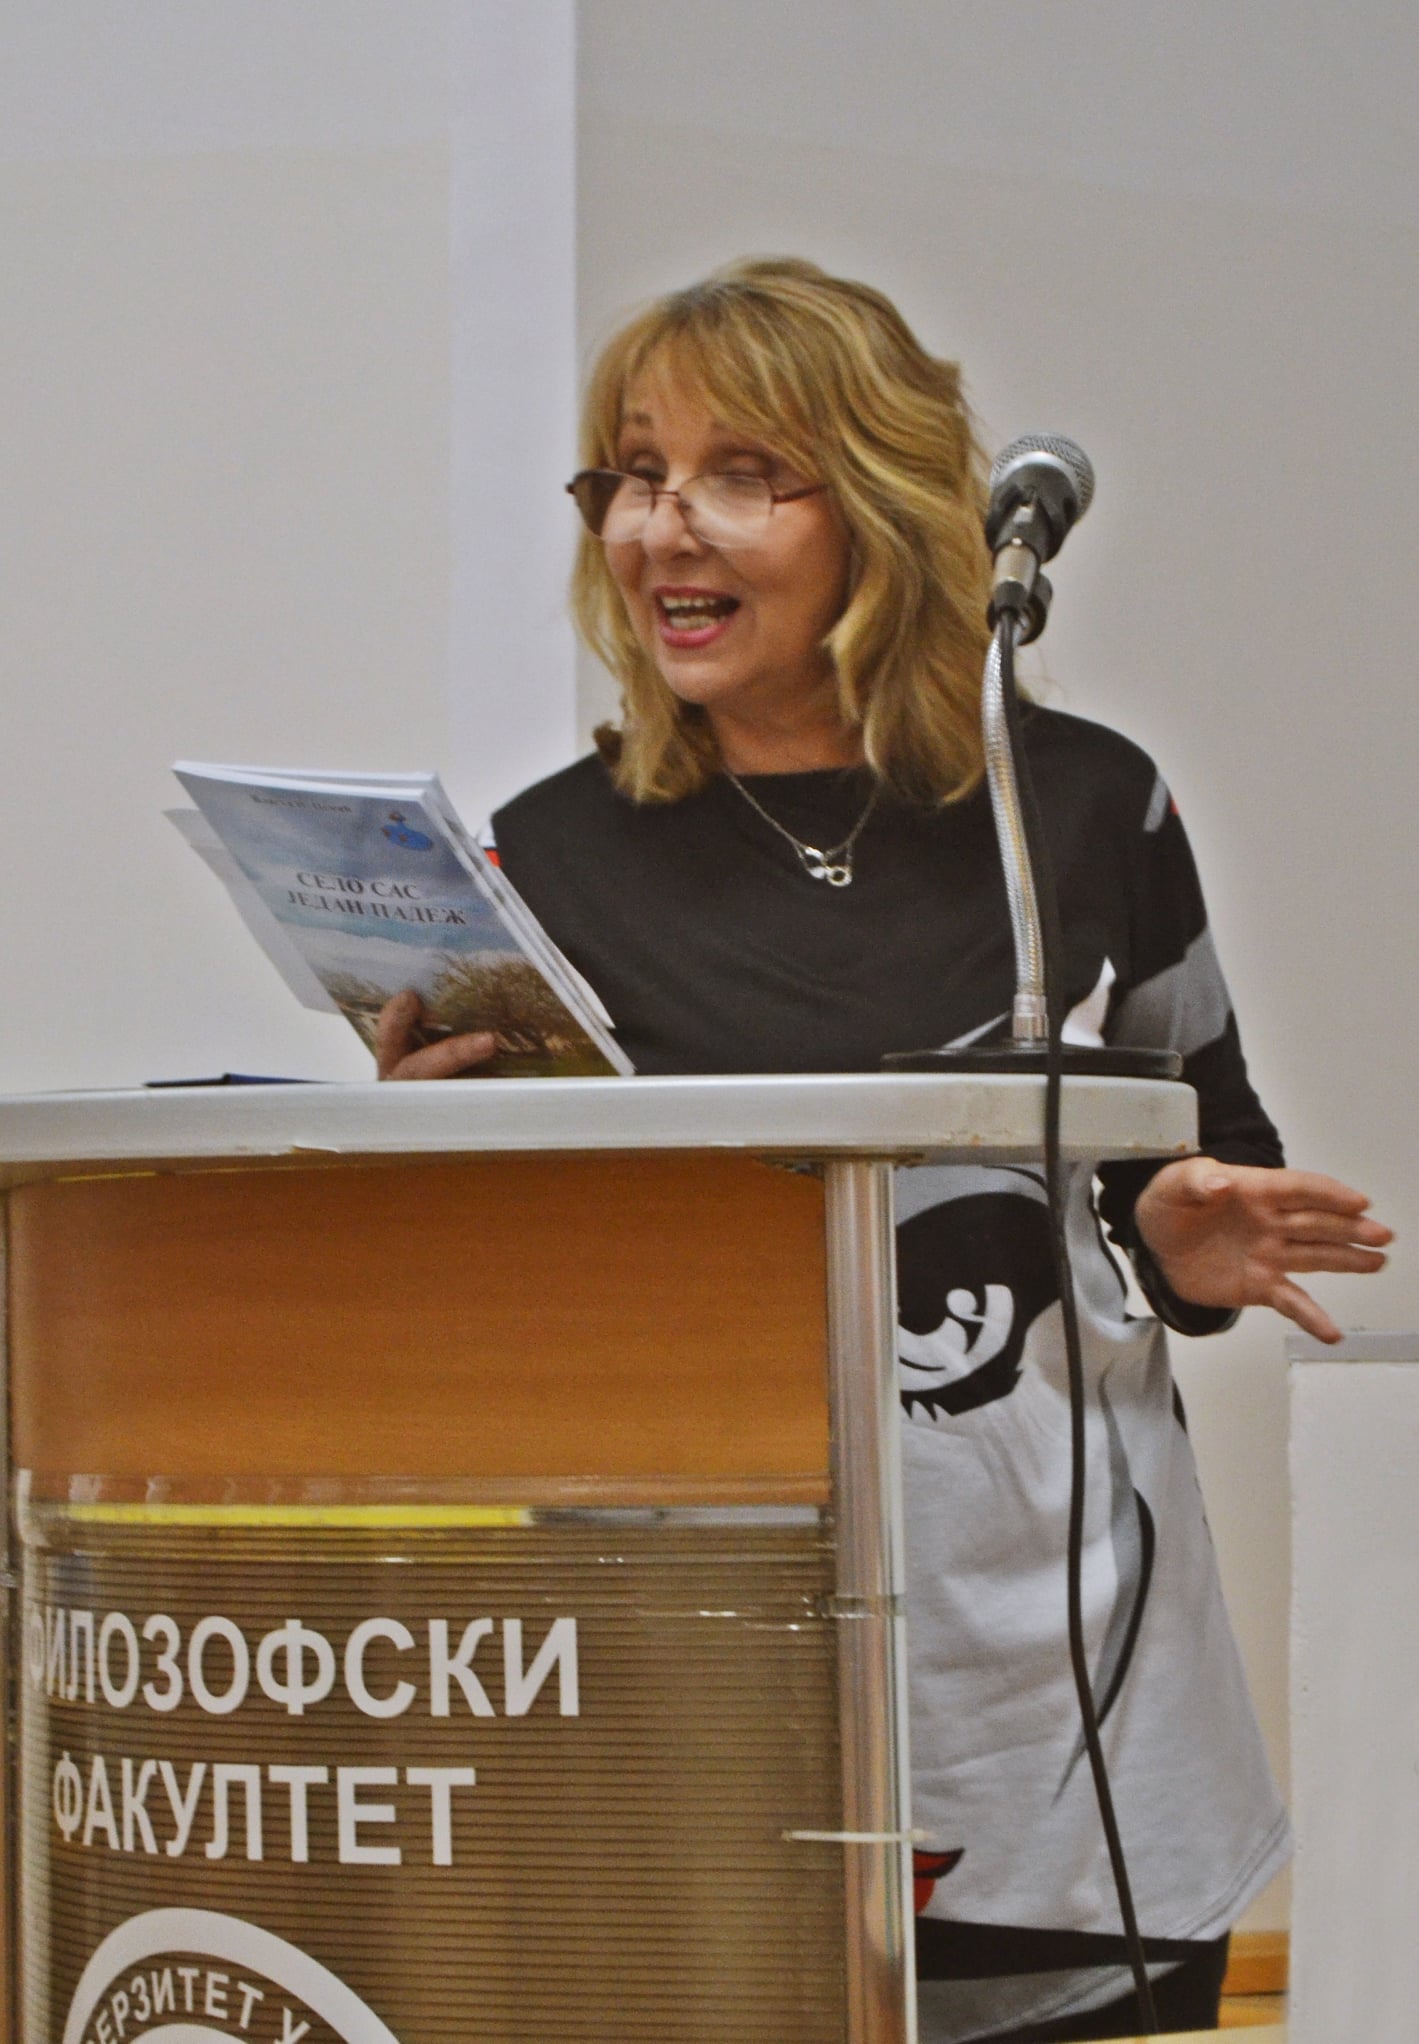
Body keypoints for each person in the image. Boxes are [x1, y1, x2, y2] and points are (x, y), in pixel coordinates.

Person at [375, 258, 1391, 2041]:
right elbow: (531, 1318)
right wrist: (442, 1146)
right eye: (633, 474)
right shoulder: (549, 861)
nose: (661, 526)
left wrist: (1181, 1237)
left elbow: (1205, 1157)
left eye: (738, 474)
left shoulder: (1088, 807)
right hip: (702, 1685)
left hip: (1061, 1698)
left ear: (882, 506)